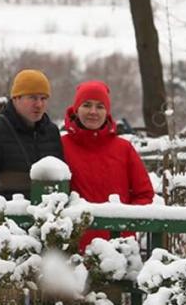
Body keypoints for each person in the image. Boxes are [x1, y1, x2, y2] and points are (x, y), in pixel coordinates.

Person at [61, 80, 154, 251]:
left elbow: (144, 193)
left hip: (118, 248)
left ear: (107, 111)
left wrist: (124, 224)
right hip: (73, 249)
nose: (93, 112)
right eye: (87, 105)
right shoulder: (60, 146)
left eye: (100, 106)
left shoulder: (123, 149)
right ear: (76, 109)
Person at [0, 69, 63, 199]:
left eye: (43, 98)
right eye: (32, 97)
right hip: (7, 216)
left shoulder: (51, 132)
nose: (39, 104)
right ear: (16, 98)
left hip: (47, 216)